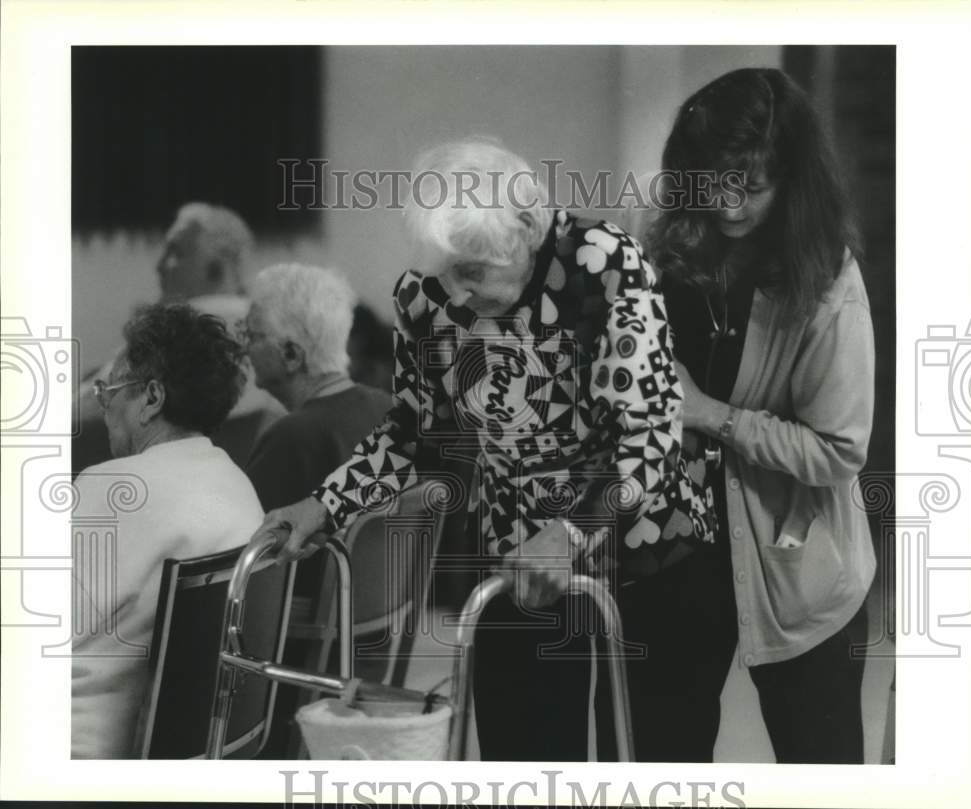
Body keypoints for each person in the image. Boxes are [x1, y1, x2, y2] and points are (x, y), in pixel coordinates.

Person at [255, 139, 716, 762]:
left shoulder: (603, 262)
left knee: (648, 773)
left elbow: (649, 431)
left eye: (471, 271)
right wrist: (325, 503)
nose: (458, 295)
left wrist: (573, 532)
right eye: (445, 273)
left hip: (645, 551)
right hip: (519, 559)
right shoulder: (426, 297)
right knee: (522, 765)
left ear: (525, 226)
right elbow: (420, 437)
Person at [644, 67, 876, 763]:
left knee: (821, 771)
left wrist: (712, 414)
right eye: (710, 180)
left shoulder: (826, 276)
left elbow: (839, 450)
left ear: (792, 180)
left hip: (801, 572)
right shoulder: (666, 252)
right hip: (673, 560)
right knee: (663, 763)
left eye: (750, 185)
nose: (727, 203)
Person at [71, 303, 263, 759]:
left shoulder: (109, 489)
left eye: (109, 391)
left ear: (152, 398)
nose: (105, 408)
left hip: (79, 745)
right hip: (198, 746)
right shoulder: (239, 485)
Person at [73, 203, 284, 475]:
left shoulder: (175, 333)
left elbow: (82, 409)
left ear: (216, 268)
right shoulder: (274, 336)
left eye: (176, 252)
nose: (160, 265)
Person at [242, 263, 393, 512]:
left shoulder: (289, 439)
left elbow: (247, 542)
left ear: (291, 355)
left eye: (254, 337)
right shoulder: (389, 408)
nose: (246, 348)